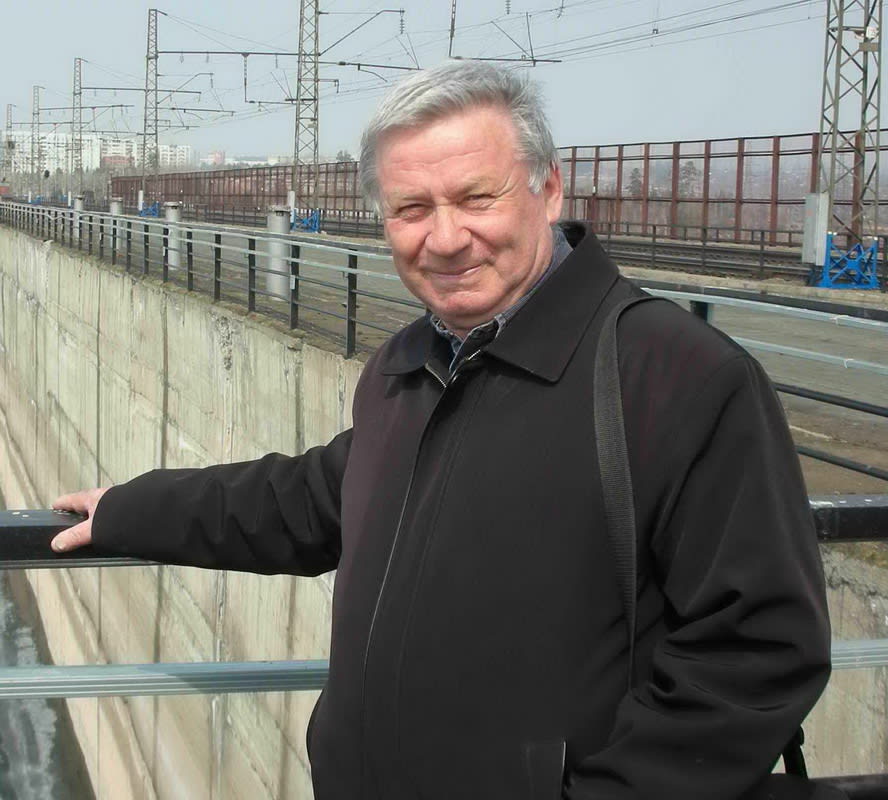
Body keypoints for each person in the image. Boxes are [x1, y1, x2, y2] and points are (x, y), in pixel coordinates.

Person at [51, 61, 831, 800]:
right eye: (412, 210)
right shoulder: (408, 365)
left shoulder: (674, 377)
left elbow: (758, 649)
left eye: (476, 198)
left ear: (549, 190)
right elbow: (314, 497)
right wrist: (129, 511)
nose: (447, 237)